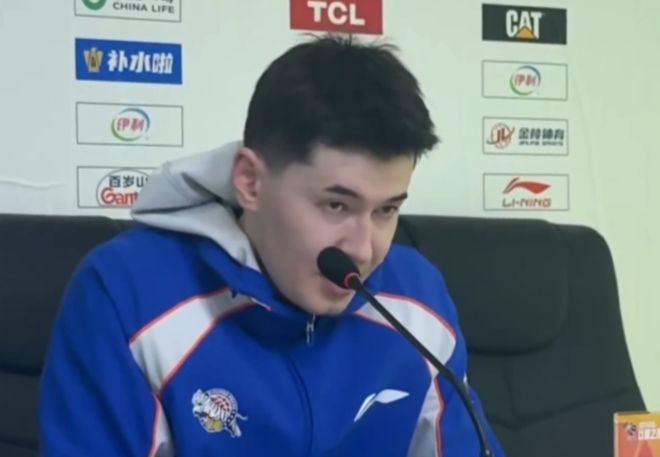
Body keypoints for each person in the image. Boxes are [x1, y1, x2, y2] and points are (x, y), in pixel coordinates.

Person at [39, 35, 505, 456]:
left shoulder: (418, 296)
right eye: (336, 206)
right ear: (250, 182)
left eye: (386, 210)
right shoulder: (125, 292)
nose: (364, 250)